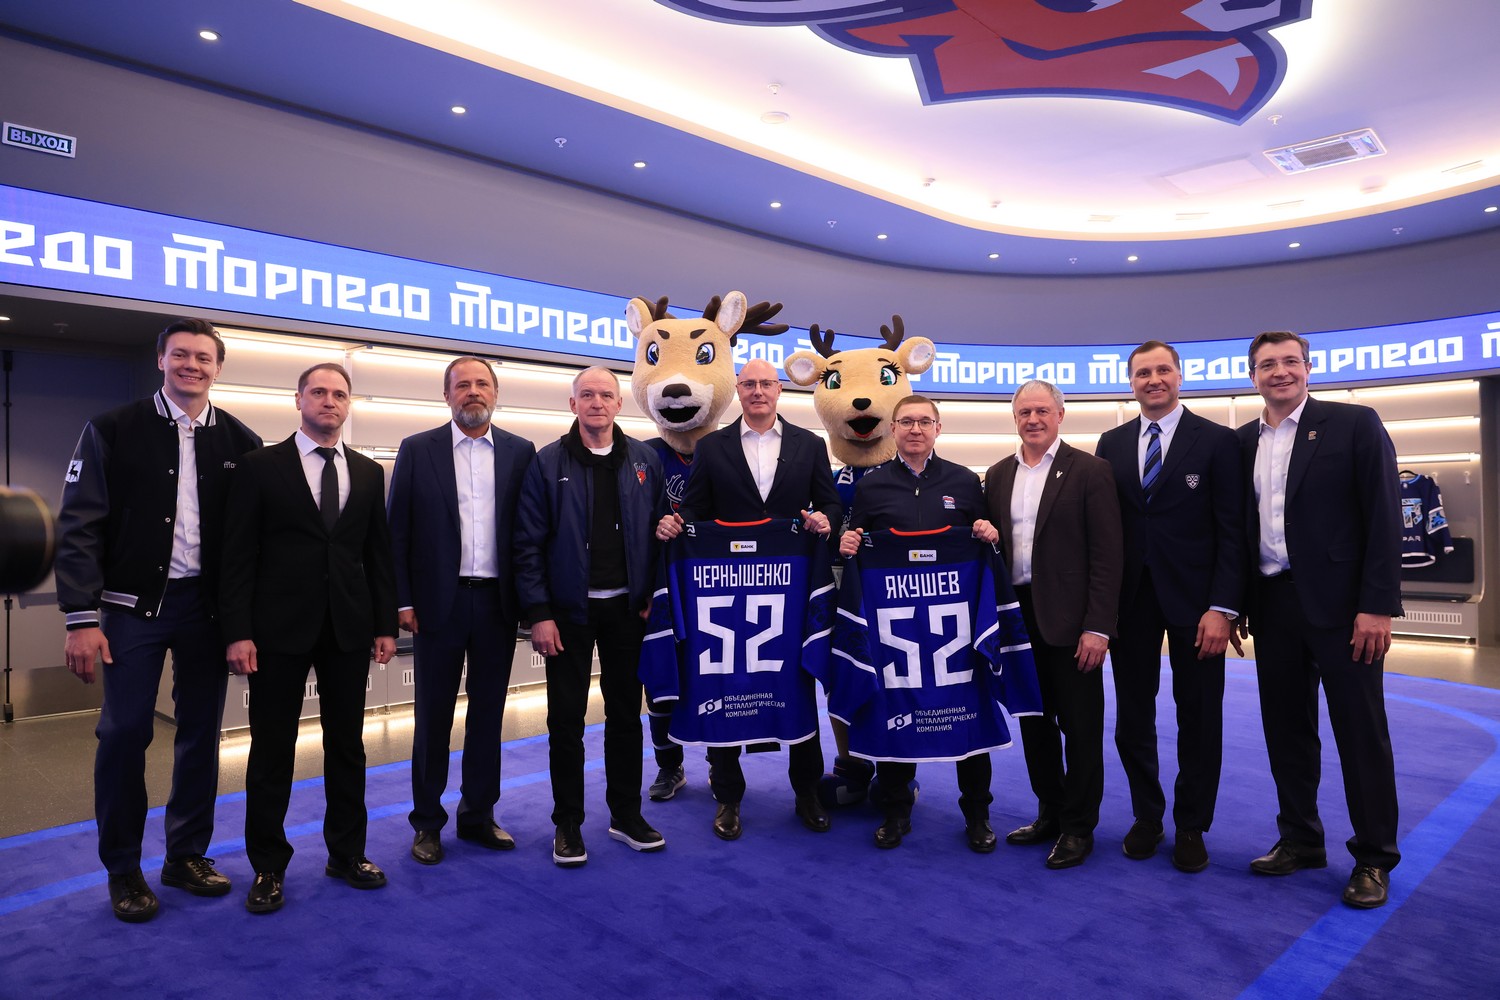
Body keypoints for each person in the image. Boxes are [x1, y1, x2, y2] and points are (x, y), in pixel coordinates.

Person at [54, 318, 260, 923]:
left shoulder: (242, 441)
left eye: (203, 357)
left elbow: (249, 542)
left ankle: (185, 855)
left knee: (201, 733)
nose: (192, 365)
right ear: (161, 360)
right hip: (129, 609)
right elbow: (79, 525)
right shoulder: (113, 428)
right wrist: (80, 618)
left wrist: (245, 622)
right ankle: (123, 867)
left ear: (217, 367)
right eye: (181, 354)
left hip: (207, 612)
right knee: (124, 734)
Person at [220, 363, 398, 914]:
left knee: (347, 746)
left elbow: (377, 554)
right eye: (318, 392)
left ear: (349, 404)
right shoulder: (259, 466)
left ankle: (347, 853)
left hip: (347, 629)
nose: (329, 401)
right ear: (298, 399)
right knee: (272, 750)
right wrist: (238, 631)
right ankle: (268, 866)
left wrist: (385, 624)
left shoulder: (368, 472)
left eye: (339, 394)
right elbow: (237, 554)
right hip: (276, 630)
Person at [1236, 330, 1402, 909]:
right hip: (1272, 606)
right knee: (1286, 731)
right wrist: (1237, 602)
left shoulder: (1353, 424)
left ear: (1308, 367)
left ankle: (1374, 856)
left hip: (1345, 610)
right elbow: (1237, 530)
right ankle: (1301, 839)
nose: (1279, 372)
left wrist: (1377, 605)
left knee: (1360, 733)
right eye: (1267, 364)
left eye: (1290, 361)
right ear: (1253, 375)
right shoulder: (1242, 442)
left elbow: (1384, 515)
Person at [655, 358, 843, 839]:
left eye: (766, 384)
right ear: (737, 390)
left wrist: (826, 519)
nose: (758, 391)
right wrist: (679, 525)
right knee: (723, 686)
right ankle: (728, 798)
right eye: (749, 384)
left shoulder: (809, 444)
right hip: (726, 590)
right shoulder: (712, 446)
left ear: (779, 390)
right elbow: (695, 507)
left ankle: (807, 793)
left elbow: (830, 502)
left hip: (789, 590)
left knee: (797, 686)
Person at [1095, 342, 1243, 873]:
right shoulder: (1111, 443)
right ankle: (1147, 816)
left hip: (1199, 606)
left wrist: (1224, 607)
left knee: (1199, 717)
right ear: (1131, 382)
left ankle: (1191, 825)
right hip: (1131, 602)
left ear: (1179, 376)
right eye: (1143, 373)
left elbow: (1234, 530)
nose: (1153, 379)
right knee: (1133, 717)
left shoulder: (1219, 441)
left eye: (1162, 370)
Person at [514, 366, 667, 866]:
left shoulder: (644, 460)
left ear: (619, 404)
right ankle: (568, 824)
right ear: (572, 404)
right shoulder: (546, 463)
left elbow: (660, 533)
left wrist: (653, 593)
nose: (596, 402)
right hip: (568, 615)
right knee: (566, 722)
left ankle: (626, 814)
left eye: (605, 394)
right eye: (587, 395)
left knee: (626, 716)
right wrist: (539, 613)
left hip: (628, 610)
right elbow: (527, 544)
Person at [836, 394, 1003, 852]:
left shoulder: (965, 481)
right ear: (893, 429)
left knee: (968, 715)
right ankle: (895, 812)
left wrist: (989, 534)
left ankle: (978, 816)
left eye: (924, 421)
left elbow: (987, 545)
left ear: (938, 428)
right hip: (896, 631)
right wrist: (847, 543)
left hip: (956, 630)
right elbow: (857, 544)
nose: (915, 429)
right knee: (895, 714)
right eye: (906, 421)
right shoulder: (872, 486)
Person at [387, 356, 536, 865]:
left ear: (495, 393)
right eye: (462, 385)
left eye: (482, 384)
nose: (473, 391)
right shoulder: (417, 449)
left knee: (488, 715)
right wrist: (403, 600)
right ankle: (427, 823)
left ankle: (478, 814)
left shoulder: (520, 452)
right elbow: (397, 531)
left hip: (496, 603)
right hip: (437, 604)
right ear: (446, 395)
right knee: (433, 717)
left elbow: (528, 532)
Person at [985, 379, 1122, 870]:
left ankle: (1079, 827)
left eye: (1042, 411)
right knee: (1035, 725)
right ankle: (1050, 811)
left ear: (1060, 416)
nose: (1033, 419)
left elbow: (1108, 555)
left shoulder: (1090, 470)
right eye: (1025, 412)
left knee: (1080, 729)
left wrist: (1099, 627)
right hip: (1016, 621)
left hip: (1072, 622)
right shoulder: (997, 475)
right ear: (1015, 418)